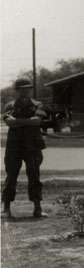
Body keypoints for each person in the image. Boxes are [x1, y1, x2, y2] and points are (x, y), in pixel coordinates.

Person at [2, 77, 46, 219]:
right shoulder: (10, 106)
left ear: (30, 90)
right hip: (14, 146)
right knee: (11, 176)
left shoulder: (38, 105)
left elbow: (37, 121)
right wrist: (28, 122)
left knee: (34, 176)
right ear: (17, 90)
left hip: (32, 146)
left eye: (27, 88)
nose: (25, 91)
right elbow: (9, 122)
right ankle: (6, 208)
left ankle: (37, 208)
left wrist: (19, 122)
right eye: (22, 89)